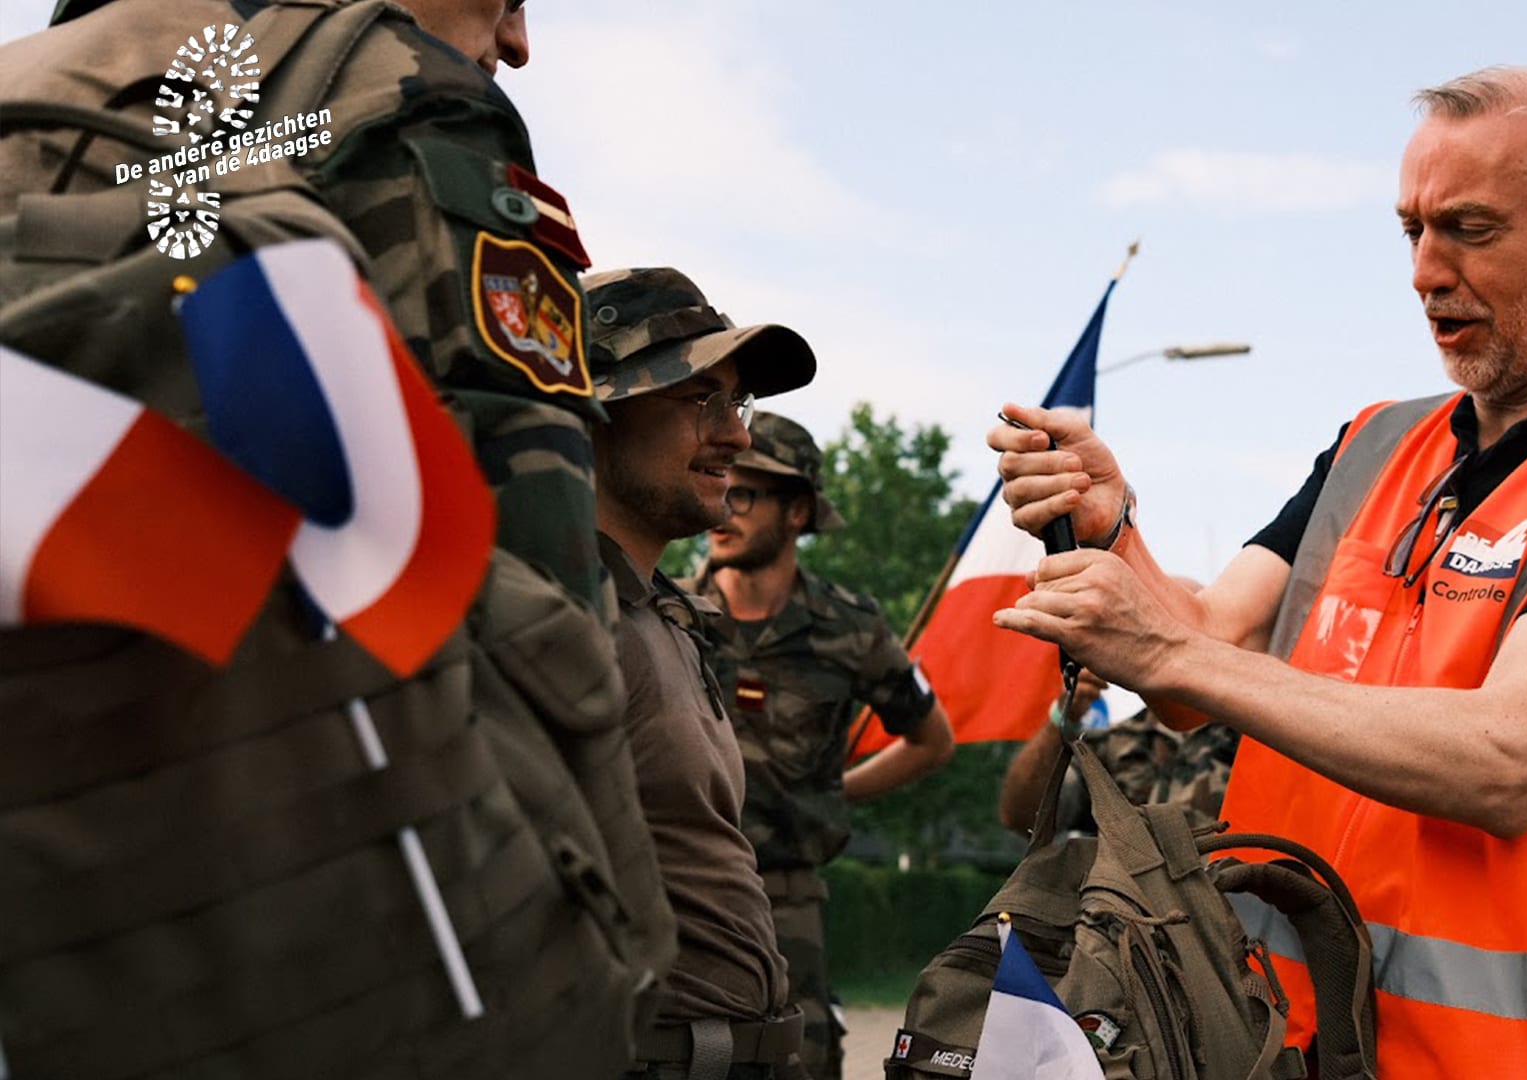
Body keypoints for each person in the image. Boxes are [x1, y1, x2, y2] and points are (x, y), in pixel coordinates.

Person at [989, 65, 1527, 1078]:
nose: (1426, 270)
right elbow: (1200, 662)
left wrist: (1164, 649)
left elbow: (1508, 760)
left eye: (1469, 229)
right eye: (1411, 230)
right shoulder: (1371, 448)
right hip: (1283, 1047)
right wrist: (1117, 530)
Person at [1, 2, 672, 1076]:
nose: (517, 39)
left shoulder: (25, 82)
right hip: (331, 913)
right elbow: (545, 600)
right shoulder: (382, 76)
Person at [586, 267, 819, 1079]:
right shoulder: (560, 614)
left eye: (737, 403)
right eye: (698, 401)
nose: (737, 435)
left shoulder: (662, 613)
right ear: (595, 408)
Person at [684, 409, 955, 1080]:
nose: (724, 507)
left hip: (786, 898)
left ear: (797, 512)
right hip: (675, 886)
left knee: (797, 1061)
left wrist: (836, 793)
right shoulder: (669, 613)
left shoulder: (850, 628)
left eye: (745, 493)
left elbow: (931, 739)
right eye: (718, 481)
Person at [997, 671, 1239, 836]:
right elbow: (1024, 818)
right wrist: (1062, 719)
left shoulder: (1256, 740)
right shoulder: (1118, 742)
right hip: (1122, 908)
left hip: (1233, 906)